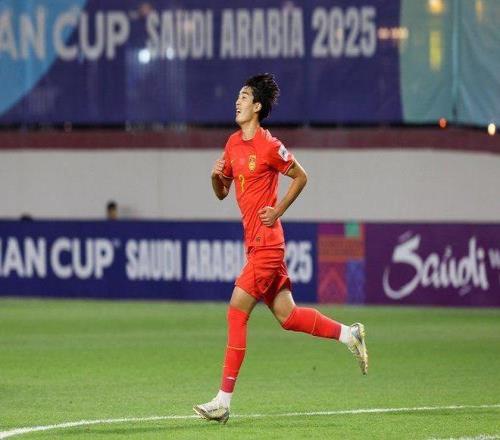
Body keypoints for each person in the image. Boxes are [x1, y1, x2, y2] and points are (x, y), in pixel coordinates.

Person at [193, 73, 368, 424]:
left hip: (267, 246)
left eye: (244, 97)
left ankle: (223, 400)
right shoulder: (232, 144)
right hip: (255, 245)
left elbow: (302, 176)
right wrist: (214, 178)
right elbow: (222, 192)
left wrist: (278, 210)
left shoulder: (270, 145)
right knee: (288, 316)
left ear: (257, 106)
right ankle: (349, 334)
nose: (237, 101)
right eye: (238, 96)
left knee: (236, 311)